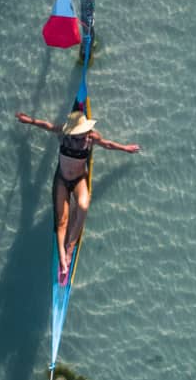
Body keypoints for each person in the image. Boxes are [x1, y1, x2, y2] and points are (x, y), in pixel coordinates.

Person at [15, 109, 140, 283]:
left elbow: (108, 144)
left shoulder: (91, 138)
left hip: (79, 180)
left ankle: (70, 249)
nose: (82, 135)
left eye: (83, 132)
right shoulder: (63, 134)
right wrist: (28, 120)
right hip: (62, 180)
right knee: (62, 221)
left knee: (83, 206)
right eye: (79, 133)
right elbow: (47, 126)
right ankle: (62, 261)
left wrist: (125, 148)